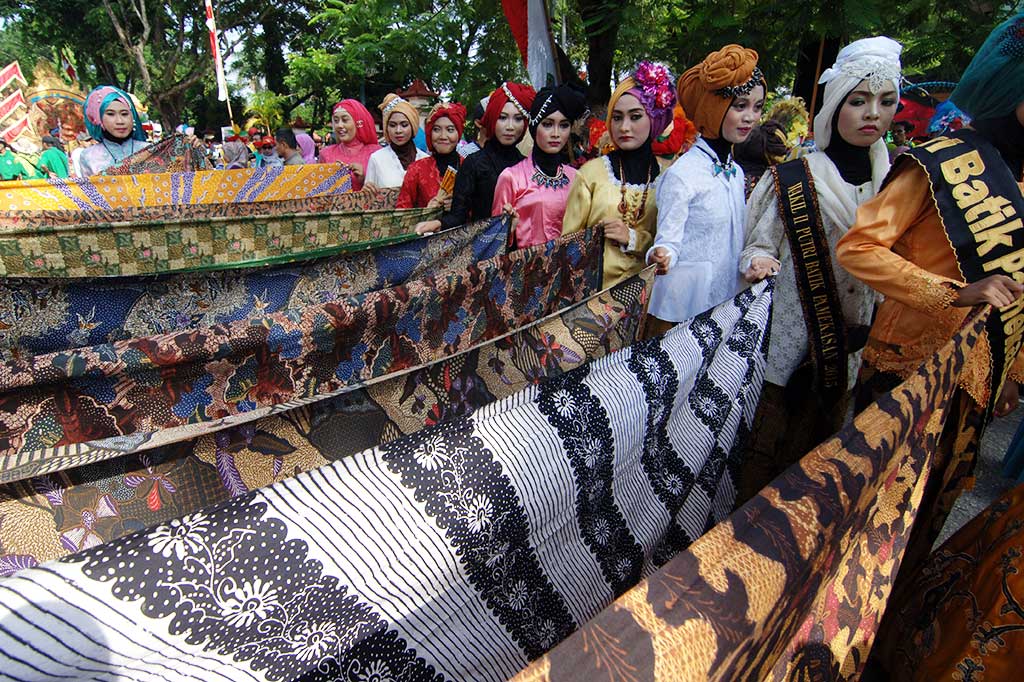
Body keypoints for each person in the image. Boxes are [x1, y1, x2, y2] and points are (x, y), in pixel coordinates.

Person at [836, 12, 1024, 586]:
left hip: (976, 389)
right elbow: (859, 248)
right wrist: (952, 293)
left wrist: (1015, 370)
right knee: (865, 525)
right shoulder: (939, 159)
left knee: (922, 531)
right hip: (905, 371)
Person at [736, 37, 902, 503]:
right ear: (835, 106)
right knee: (764, 459)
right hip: (785, 352)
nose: (873, 113)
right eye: (859, 101)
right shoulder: (792, 178)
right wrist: (757, 261)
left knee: (820, 468)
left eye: (886, 102)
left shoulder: (897, 188)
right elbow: (757, 244)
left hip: (847, 357)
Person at [645, 47, 763, 336]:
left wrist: (753, 261)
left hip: (725, 301)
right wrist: (661, 254)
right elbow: (668, 242)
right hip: (682, 310)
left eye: (757, 107)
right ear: (714, 109)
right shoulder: (683, 175)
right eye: (740, 106)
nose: (750, 117)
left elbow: (737, 238)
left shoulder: (734, 173)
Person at [562, 63, 676, 288]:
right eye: (617, 118)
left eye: (635, 117)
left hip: (648, 301)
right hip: (591, 302)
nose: (624, 127)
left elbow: (674, 243)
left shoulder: (669, 180)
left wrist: (634, 239)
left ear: (654, 119)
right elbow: (566, 246)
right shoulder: (592, 174)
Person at [414, 82, 536, 235]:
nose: (510, 126)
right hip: (484, 249)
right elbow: (459, 216)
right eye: (503, 118)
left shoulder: (528, 165)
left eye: (518, 119)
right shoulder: (474, 163)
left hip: (526, 248)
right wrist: (437, 224)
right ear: (492, 119)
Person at [493, 83, 587, 248]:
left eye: (564, 125)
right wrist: (507, 231)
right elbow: (494, 246)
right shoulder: (512, 178)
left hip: (570, 269)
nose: (556, 133)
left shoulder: (576, 177)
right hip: (527, 270)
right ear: (534, 126)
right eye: (548, 124)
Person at [396, 102, 466, 209]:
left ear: (459, 133)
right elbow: (402, 212)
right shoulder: (417, 169)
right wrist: (426, 212)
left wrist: (460, 206)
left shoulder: (469, 167)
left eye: (450, 130)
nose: (443, 136)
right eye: (436, 129)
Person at [79, 85, 150, 176]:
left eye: (124, 114)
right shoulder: (88, 156)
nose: (120, 121)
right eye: (110, 114)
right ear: (99, 118)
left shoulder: (149, 150)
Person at [365, 94, 429, 188]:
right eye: (392, 125)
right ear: (386, 128)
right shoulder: (377, 159)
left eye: (404, 125)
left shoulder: (425, 160)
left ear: (412, 126)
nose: (398, 130)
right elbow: (370, 197)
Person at [319, 99, 380, 190]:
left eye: (345, 120)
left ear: (358, 123)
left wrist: (365, 179)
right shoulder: (326, 154)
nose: (339, 125)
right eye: (336, 121)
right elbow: (319, 191)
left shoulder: (376, 153)